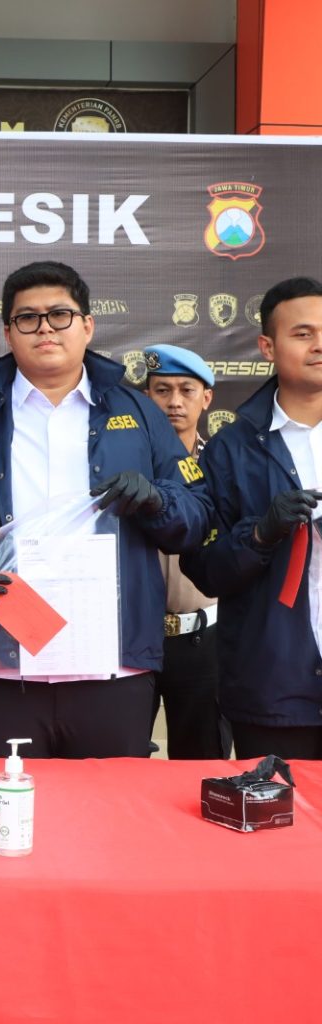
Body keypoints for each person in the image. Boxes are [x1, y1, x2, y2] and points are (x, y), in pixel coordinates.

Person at [0, 261, 211, 759]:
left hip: (112, 665)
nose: (45, 328)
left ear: (88, 326)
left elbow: (196, 514)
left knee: (106, 806)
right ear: (8, 333)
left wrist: (156, 500)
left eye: (60, 315)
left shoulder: (141, 414)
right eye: (28, 318)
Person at [181, 277, 322, 760]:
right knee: (279, 807)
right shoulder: (230, 449)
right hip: (274, 687)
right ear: (267, 346)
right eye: (303, 333)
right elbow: (204, 569)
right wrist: (261, 533)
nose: (318, 344)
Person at [143, 344, 229, 759]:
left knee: (202, 765)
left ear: (206, 398)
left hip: (203, 640)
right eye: (162, 390)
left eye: (186, 390)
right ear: (146, 397)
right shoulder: (126, 465)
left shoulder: (224, 467)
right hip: (132, 639)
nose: (174, 402)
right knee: (117, 763)